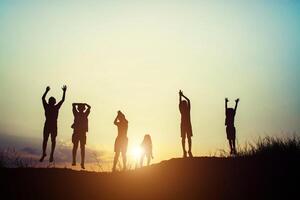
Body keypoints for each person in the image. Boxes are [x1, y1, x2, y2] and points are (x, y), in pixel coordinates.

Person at [40, 85, 67, 162]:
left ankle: (49, 154)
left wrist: (46, 91)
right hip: (50, 124)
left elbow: (62, 100)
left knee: (49, 140)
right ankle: (47, 154)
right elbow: (62, 100)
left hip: (50, 124)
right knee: (49, 140)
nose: (52, 102)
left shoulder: (49, 107)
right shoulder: (52, 107)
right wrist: (64, 92)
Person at [71, 103, 91, 169]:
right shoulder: (81, 114)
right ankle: (76, 161)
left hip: (81, 133)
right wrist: (84, 104)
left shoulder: (80, 114)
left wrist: (81, 104)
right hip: (79, 133)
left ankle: (80, 162)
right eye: (81, 108)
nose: (82, 109)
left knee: (79, 148)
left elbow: (73, 105)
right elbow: (73, 104)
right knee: (78, 147)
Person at [179, 90, 193, 158]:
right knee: (185, 138)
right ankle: (185, 151)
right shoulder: (185, 110)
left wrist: (181, 96)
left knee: (187, 138)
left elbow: (188, 101)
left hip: (185, 125)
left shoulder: (186, 110)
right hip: (185, 125)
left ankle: (188, 151)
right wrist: (181, 96)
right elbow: (188, 100)